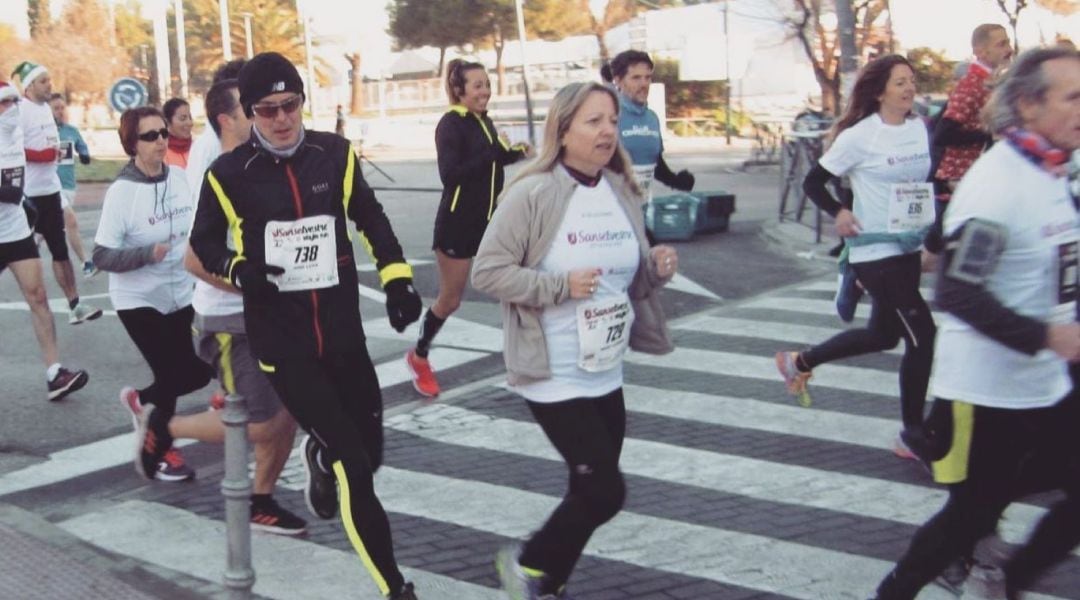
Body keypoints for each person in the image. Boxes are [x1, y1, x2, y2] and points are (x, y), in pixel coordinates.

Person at [188, 52, 421, 600]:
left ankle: (318, 453)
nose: (281, 119)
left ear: (301, 102)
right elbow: (203, 243)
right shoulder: (227, 174)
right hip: (282, 342)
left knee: (371, 454)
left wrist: (397, 279)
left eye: (290, 105)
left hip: (341, 332)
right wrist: (241, 270)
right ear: (249, 113)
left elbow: (369, 215)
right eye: (267, 110)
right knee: (355, 471)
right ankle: (395, 588)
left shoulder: (334, 154)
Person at [872, 46, 1080, 600]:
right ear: (1031, 106)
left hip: (1046, 382)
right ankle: (896, 592)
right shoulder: (1001, 185)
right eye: (1074, 97)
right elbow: (958, 292)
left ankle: (1015, 578)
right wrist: (1049, 335)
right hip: (988, 392)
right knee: (971, 514)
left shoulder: (1052, 169)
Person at [472, 81, 678, 600]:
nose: (608, 130)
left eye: (611, 120)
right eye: (593, 121)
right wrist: (557, 286)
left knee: (588, 489)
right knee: (605, 490)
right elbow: (488, 272)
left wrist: (655, 270)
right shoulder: (533, 191)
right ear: (562, 131)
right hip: (553, 370)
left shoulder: (621, 189)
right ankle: (526, 563)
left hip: (605, 366)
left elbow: (626, 281)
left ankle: (549, 580)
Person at [779, 55, 937, 460]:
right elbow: (814, 182)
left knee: (883, 336)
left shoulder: (920, 129)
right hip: (873, 250)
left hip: (906, 247)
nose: (908, 88)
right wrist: (841, 213)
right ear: (880, 90)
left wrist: (930, 236)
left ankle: (799, 361)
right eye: (899, 82)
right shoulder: (861, 136)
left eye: (911, 80)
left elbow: (923, 185)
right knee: (923, 336)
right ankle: (911, 433)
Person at [171, 77, 306, 535]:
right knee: (264, 423)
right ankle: (165, 427)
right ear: (228, 120)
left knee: (289, 411)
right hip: (228, 319)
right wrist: (255, 287)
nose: (268, 115)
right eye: (254, 110)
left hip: (272, 313)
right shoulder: (216, 172)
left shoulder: (261, 163)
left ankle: (262, 500)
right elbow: (194, 259)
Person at [94, 106, 214, 483]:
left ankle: (143, 405)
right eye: (150, 136)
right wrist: (146, 253)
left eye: (163, 133)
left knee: (188, 376)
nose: (161, 140)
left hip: (180, 293)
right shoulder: (122, 193)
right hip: (139, 299)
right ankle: (161, 450)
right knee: (176, 372)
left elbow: (198, 226)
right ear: (132, 144)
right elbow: (101, 255)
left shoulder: (178, 178)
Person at [405, 58, 530, 398]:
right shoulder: (451, 124)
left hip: (491, 222)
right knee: (450, 300)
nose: (485, 91)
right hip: (457, 224)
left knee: (517, 286)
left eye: (487, 85)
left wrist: (515, 152)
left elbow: (495, 160)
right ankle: (419, 357)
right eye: (478, 86)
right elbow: (450, 174)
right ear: (459, 90)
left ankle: (525, 362)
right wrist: (491, 153)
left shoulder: (483, 121)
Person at [0, 80, 89, 401]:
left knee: (38, 296)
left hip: (15, 231)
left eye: (12, 102)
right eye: (3, 104)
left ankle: (55, 373)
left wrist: (25, 203)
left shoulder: (16, 137)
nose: (10, 110)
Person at [11, 61, 102, 325]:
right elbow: (11, 147)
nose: (49, 85)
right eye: (43, 81)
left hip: (50, 190)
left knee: (59, 250)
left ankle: (75, 305)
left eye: (49, 80)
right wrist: (40, 156)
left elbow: (53, 146)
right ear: (29, 87)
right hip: (26, 195)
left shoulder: (46, 111)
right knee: (15, 251)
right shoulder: (19, 111)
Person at [930, 24, 1013, 225]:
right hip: (960, 181)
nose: (1009, 49)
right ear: (980, 51)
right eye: (1002, 44)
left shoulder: (991, 82)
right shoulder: (972, 84)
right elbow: (943, 133)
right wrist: (989, 135)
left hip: (980, 176)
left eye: (1008, 42)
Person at [603, 50, 695, 202]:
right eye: (636, 78)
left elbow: (654, 162)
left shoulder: (652, 118)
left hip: (643, 205)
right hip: (612, 208)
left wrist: (674, 180)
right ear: (618, 81)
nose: (644, 84)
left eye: (647, 77)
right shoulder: (609, 115)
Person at [48, 93, 95, 278]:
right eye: (55, 108)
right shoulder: (44, 131)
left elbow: (81, 146)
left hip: (68, 186)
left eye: (62, 108)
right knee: (71, 221)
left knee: (46, 229)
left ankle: (18, 255)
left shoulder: (71, 131)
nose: (60, 112)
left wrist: (84, 154)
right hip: (50, 186)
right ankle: (86, 262)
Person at [163, 97, 193, 169]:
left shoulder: (198, 147)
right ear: (168, 122)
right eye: (183, 119)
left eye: (190, 117)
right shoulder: (161, 153)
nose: (190, 123)